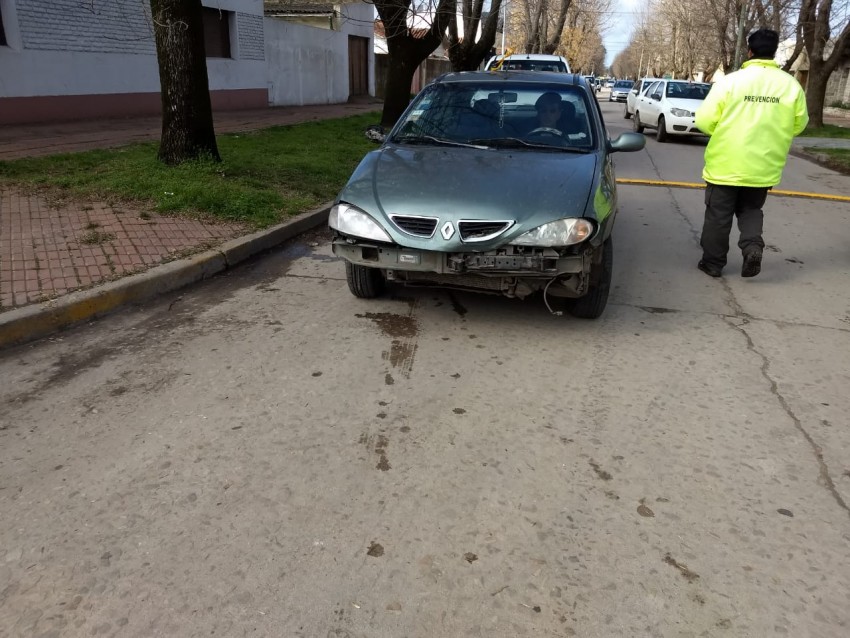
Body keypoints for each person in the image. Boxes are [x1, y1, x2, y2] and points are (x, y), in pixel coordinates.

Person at [694, 28, 808, 278]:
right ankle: (752, 247)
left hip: (726, 163)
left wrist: (722, 130)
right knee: (751, 210)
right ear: (774, 52)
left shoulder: (731, 81)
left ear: (749, 51)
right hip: (764, 166)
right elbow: (799, 125)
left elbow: (703, 121)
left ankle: (712, 264)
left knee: (718, 215)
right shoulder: (791, 86)